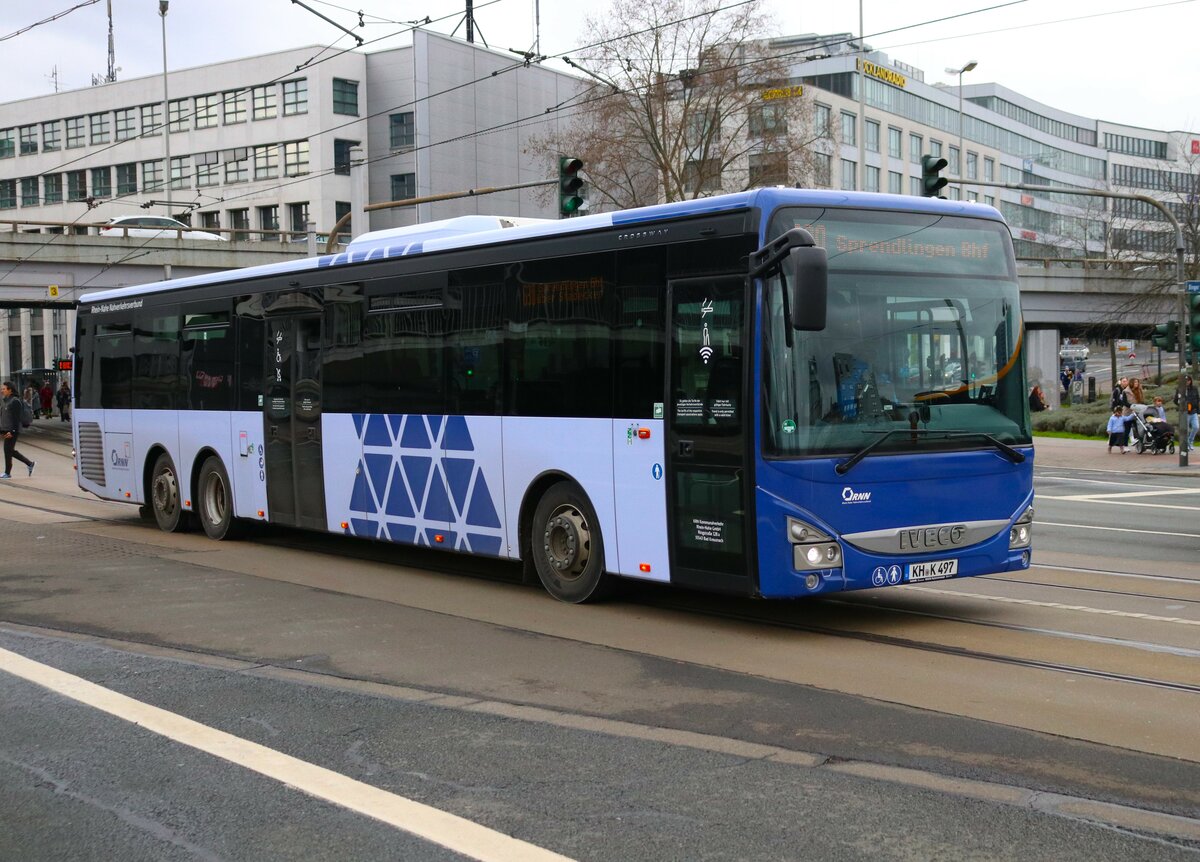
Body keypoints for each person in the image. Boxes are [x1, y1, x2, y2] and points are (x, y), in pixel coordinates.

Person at [1, 381, 35, 479]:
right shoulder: (6, 400)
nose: (2, 390)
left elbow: (16, 419)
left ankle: (8, 473)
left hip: (12, 430)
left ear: (10, 390)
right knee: (9, 450)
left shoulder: (15, 401)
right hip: (7, 429)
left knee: (8, 450)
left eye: (4, 389)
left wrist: (12, 431)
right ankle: (29, 464)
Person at [1175, 375, 1200, 451]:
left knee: (1196, 427)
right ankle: (1187, 444)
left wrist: (1198, 411)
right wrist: (1182, 405)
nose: (1187, 382)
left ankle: (1190, 441)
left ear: (1190, 381)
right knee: (1186, 430)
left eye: (1188, 380)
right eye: (1186, 380)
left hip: (1193, 412)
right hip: (1185, 412)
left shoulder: (1194, 388)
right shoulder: (1179, 389)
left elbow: (1198, 399)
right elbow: (1175, 400)